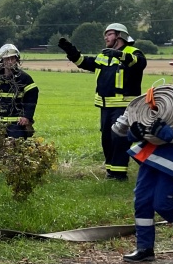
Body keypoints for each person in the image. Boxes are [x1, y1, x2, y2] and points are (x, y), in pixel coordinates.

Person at [112, 47, 173, 263]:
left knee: (162, 204)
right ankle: (145, 249)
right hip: (150, 157)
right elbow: (148, 121)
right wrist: (134, 132)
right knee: (142, 201)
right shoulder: (164, 98)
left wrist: (170, 134)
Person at [58, 23, 146, 180]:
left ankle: (119, 174)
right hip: (105, 106)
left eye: (109, 34)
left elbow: (139, 63)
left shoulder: (133, 52)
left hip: (124, 106)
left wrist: (118, 55)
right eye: (105, 34)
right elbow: (85, 62)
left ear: (120, 36)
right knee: (107, 139)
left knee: (119, 138)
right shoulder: (104, 55)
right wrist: (70, 51)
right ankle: (110, 171)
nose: (105, 37)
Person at [0, 44, 39, 139]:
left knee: (16, 151)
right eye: (7, 59)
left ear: (17, 60)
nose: (10, 62)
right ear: (2, 61)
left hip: (17, 126)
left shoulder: (25, 78)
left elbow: (31, 98)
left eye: (12, 59)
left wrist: (27, 117)